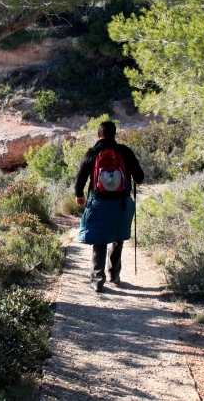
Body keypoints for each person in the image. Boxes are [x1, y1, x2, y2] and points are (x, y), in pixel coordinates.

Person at [74, 120, 144, 292]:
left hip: (99, 202)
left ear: (99, 135)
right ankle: (114, 275)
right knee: (117, 237)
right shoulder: (125, 151)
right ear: (115, 134)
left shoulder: (92, 153)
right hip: (121, 203)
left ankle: (97, 281)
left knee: (99, 239)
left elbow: (79, 181)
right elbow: (140, 177)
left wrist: (80, 196)